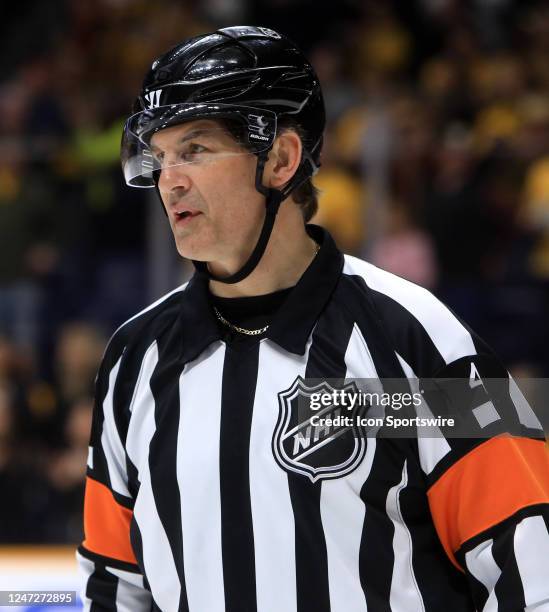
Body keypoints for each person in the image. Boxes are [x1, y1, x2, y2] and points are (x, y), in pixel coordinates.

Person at [77, 26, 549, 612]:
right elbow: (114, 585)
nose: (169, 178)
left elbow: (535, 565)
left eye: (195, 149)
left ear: (280, 158)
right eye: (162, 155)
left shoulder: (423, 337)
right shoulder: (131, 359)